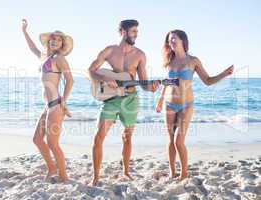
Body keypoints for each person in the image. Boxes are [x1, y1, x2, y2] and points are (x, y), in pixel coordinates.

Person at [89, 19, 159, 186]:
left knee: (127, 137)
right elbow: (91, 71)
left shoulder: (140, 55)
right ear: (123, 32)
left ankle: (126, 171)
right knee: (99, 137)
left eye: (136, 31)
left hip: (131, 100)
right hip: (111, 99)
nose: (136, 34)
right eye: (133, 31)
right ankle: (95, 177)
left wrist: (151, 87)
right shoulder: (109, 50)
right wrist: (105, 78)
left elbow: (143, 82)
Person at [156, 29, 234, 180]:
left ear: (183, 41)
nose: (171, 42)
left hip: (186, 105)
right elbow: (167, 81)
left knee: (179, 141)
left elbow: (208, 81)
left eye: (174, 39)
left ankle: (184, 173)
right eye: (169, 40)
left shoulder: (193, 61)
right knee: (170, 139)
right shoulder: (169, 60)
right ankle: (172, 171)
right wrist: (160, 100)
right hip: (169, 104)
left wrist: (224, 74)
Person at [22, 19, 74, 182]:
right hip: (47, 106)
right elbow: (32, 48)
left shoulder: (59, 58)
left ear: (61, 44)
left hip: (56, 105)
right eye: (53, 38)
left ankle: (64, 177)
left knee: (53, 143)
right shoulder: (45, 57)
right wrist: (24, 31)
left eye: (59, 40)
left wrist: (64, 101)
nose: (55, 41)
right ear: (49, 41)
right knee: (37, 140)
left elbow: (70, 80)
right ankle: (52, 168)